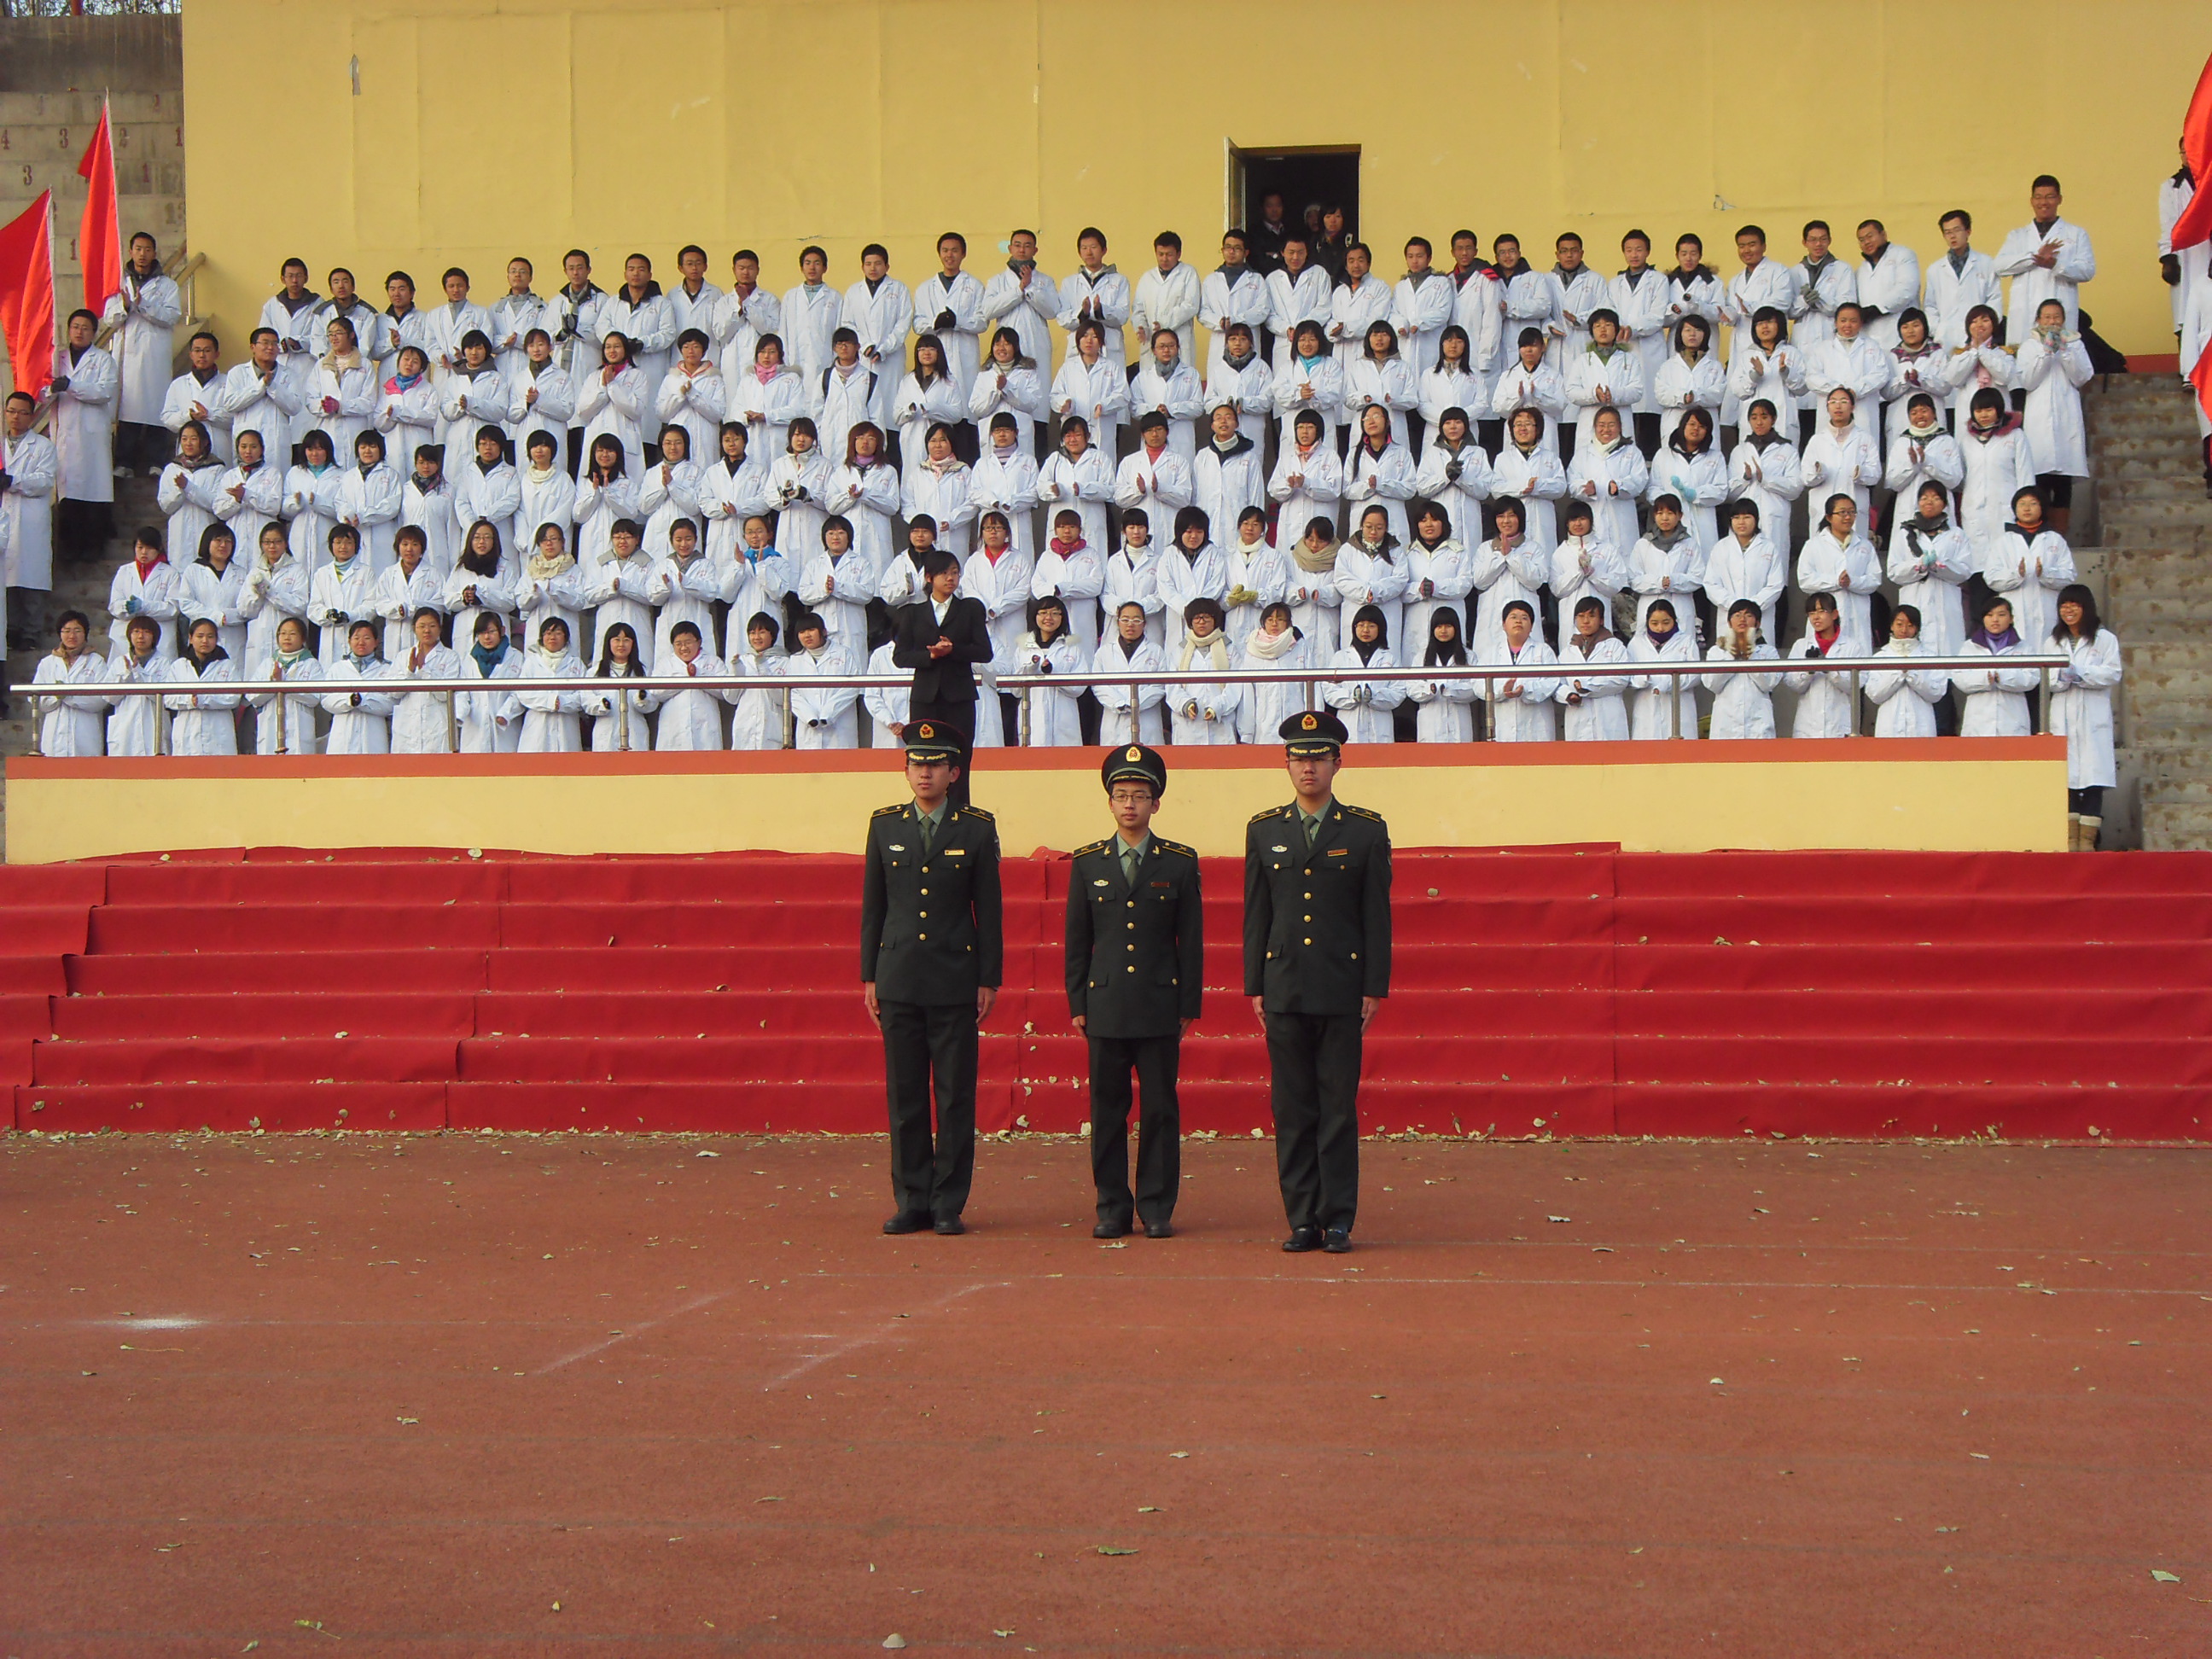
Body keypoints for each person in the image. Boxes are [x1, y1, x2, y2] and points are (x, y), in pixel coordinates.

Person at [1246, 708, 1390, 1254]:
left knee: (1337, 1108)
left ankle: (1338, 1218)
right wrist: (1254, 985)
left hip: (1340, 986)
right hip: (1283, 986)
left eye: (1319, 758)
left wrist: (1374, 985)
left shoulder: (1365, 830)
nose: (1308, 767)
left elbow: (1376, 915)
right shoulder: (1264, 829)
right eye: (1298, 758)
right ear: (1286, 764)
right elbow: (1256, 914)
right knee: (1292, 1108)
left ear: (1337, 763)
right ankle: (1302, 1217)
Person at [862, 719, 1003, 1237]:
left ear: (953, 773)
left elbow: (989, 908)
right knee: (905, 1097)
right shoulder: (885, 825)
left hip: (954, 977)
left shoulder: (976, 827)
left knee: (954, 1095)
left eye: (935, 765)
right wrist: (870, 976)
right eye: (916, 764)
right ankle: (911, 1199)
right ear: (906, 771)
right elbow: (873, 906)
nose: (925, 773)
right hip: (898, 976)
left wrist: (989, 977)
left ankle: (948, 1202)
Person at [1064, 743, 1201, 1237]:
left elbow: (1191, 940)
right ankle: (1112, 1207)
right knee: (1107, 1110)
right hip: (1105, 1002)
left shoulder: (1179, 862)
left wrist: (1188, 1003)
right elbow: (1077, 940)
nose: (1130, 804)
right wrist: (1077, 1001)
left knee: (1160, 1108)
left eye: (1140, 796)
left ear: (1155, 803)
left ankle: (1157, 1207)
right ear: (1109, 802)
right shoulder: (1088, 862)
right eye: (1121, 795)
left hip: (1159, 1002)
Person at [893, 550, 993, 788]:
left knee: (959, 758)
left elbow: (984, 652)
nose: (950, 578)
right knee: (924, 756)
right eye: (944, 573)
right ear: (929, 578)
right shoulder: (914, 613)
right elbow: (900, 657)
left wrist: (953, 650)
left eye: (955, 573)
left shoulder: (969, 609)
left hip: (959, 697)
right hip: (925, 697)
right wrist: (930, 655)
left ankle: (958, 807)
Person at [104, 232, 185, 475]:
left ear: (154, 253)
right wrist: (125, 306)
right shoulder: (118, 283)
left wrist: (144, 305)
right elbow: (109, 318)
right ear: (130, 252)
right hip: (127, 355)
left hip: (154, 355)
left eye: (147, 249)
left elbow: (171, 316)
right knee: (127, 407)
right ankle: (124, 463)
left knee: (156, 408)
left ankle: (156, 462)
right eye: (138, 249)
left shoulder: (167, 286)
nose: (142, 254)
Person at [2048, 583, 2122, 850]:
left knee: (2093, 779)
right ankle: (2070, 841)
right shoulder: (2053, 641)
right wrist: (2061, 678)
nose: (2068, 610)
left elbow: (2113, 673)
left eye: (2074, 605)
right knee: (2065, 778)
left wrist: (2081, 674)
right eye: (2064, 605)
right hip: (2063, 713)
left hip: (2092, 715)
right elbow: (2047, 678)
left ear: (2086, 607)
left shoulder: (2105, 639)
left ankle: (2087, 843)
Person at [50, 309, 119, 579]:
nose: (79, 332)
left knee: (94, 492)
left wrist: (71, 385)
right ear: (68, 330)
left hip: (92, 436)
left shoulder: (103, 360)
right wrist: (54, 387)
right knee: (69, 495)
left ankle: (93, 546)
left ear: (94, 332)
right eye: (75, 326)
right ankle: (71, 549)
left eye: (85, 328)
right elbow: (45, 390)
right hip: (66, 435)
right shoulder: (57, 359)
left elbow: (104, 391)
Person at [2014, 299, 2093, 533]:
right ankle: (2040, 533)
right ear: (2038, 320)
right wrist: (2046, 353)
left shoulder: (2075, 344)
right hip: (2039, 421)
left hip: (2066, 418)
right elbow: (2027, 381)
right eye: (2047, 317)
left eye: (2057, 317)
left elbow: (2082, 377)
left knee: (2063, 482)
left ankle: (2059, 535)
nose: (2052, 322)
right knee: (2039, 478)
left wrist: (2064, 352)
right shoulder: (2029, 346)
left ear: (2064, 320)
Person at [1997, 175, 2097, 339]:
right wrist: (2033, 258)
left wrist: (2056, 265)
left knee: (2060, 352)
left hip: (2059, 312)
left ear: (2059, 199)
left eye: (2050, 197)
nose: (2044, 202)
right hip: (2025, 313)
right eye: (2039, 197)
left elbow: (2087, 271)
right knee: (2023, 351)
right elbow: (1999, 267)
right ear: (2032, 201)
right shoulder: (2017, 236)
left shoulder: (2076, 234)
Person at [1886, 480, 1973, 660]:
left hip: (1946, 600)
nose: (1929, 502)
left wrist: (1940, 567)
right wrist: (1918, 566)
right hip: (1915, 598)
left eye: (1935, 498)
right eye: (1924, 498)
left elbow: (1965, 571)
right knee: (1915, 656)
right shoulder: (1905, 533)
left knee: (1947, 655)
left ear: (1945, 503)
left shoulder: (1956, 534)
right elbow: (1893, 572)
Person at [1720, 224, 1796, 427]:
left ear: (1763, 246)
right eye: (1741, 246)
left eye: (1752, 244)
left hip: (1769, 343)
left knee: (1769, 394)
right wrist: (1727, 315)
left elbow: (1782, 302)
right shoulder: (1736, 280)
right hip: (1742, 341)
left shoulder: (1778, 271)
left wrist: (1751, 307)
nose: (1746, 250)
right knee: (1739, 395)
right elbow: (1734, 310)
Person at [1985, 486, 2075, 649]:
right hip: (2015, 608)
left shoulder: (2055, 539)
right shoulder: (2004, 541)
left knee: (2047, 649)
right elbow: (1991, 578)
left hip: (2046, 607)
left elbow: (2069, 575)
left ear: (2042, 508)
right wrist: (2016, 575)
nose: (2027, 508)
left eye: (2033, 504)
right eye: (2022, 504)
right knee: (2017, 652)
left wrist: (2045, 574)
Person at [3, 390, 60, 647]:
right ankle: (10, 630)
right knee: (7, 577)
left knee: (30, 578)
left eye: (23, 412)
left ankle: (30, 632)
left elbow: (45, 481)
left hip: (30, 519)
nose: (16, 417)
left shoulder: (44, 447)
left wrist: (13, 481)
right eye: (11, 411)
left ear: (32, 416)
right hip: (5, 516)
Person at [1797, 492, 1883, 657]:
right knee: (1824, 661)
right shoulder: (1814, 545)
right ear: (1829, 517)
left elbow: (1875, 579)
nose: (1848, 517)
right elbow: (1805, 580)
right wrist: (1835, 581)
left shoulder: (1864, 545)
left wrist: (1853, 582)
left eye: (1851, 512)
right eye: (1842, 512)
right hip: (1825, 614)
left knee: (1858, 660)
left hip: (1857, 613)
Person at [841, 243, 913, 435]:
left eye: (878, 263)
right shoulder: (853, 292)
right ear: (862, 267)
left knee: (889, 408)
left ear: (887, 266)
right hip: (863, 358)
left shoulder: (899, 289)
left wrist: (884, 348)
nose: (873, 268)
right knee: (864, 408)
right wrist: (864, 346)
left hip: (891, 358)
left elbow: (903, 323)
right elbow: (847, 323)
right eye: (868, 264)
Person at [1956, 388, 2034, 555]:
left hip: (2006, 508)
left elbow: (2026, 475)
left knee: (2007, 556)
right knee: (1976, 560)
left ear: (1999, 409)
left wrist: (2024, 506)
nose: (1983, 415)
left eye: (1989, 410)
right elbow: (1961, 477)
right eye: (1979, 411)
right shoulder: (1966, 441)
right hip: (1974, 510)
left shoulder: (2015, 436)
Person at [1953, 596, 2037, 737]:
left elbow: (2032, 678)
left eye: (2001, 615)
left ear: (2011, 619)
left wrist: (2003, 677)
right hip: (1979, 720)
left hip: (2013, 719)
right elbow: (1959, 678)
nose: (1995, 620)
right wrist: (1985, 679)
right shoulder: (1970, 647)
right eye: (1990, 615)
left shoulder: (2024, 647)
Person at [979, 230, 1058, 380]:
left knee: (1037, 386)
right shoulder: (996, 281)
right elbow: (988, 311)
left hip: (1036, 342)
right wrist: (1019, 290)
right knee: (1007, 386)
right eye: (1017, 245)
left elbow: (1052, 311)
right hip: (1006, 344)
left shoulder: (1045, 281)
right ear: (1010, 248)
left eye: (1027, 246)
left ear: (1035, 250)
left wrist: (1030, 288)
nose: (1022, 250)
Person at [1705, 498, 1786, 645]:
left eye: (1747, 517)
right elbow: (1711, 584)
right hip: (1728, 613)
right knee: (1728, 654)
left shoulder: (1769, 548)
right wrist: (1733, 606)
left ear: (1756, 520)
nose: (1741, 522)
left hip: (1761, 614)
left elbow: (1776, 584)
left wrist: (1752, 607)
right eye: (1736, 518)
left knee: (1760, 654)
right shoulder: (1720, 548)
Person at [1725, 399, 1803, 550]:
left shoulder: (1787, 450)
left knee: (1773, 557)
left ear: (1773, 419)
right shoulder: (1740, 451)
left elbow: (1795, 489)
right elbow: (1728, 493)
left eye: (1764, 417)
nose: (1759, 422)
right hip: (1744, 518)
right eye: (1754, 418)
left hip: (1773, 516)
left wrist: (1766, 479)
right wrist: (1745, 479)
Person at [1703, 598, 1784, 739]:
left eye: (1748, 615)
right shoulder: (1716, 652)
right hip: (1726, 725)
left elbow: (1768, 684)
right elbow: (1712, 684)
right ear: (1729, 622)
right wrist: (1732, 656)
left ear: (1757, 623)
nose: (1742, 619)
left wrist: (1750, 657)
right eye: (1737, 615)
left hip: (1758, 725)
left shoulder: (1768, 651)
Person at [32, 610, 108, 756]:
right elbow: (37, 701)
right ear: (60, 634)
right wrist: (56, 697)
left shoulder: (96, 662)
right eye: (66, 631)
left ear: (85, 633)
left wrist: (69, 697)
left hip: (85, 736)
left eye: (77, 631)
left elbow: (102, 700)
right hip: (54, 737)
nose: (72, 636)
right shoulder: (47, 663)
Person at [1014, 593, 1088, 746]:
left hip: (1064, 720)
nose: (1049, 617)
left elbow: (1079, 687)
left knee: (1066, 757)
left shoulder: (1072, 648)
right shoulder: (1023, 648)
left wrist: (1053, 674)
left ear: (1063, 617)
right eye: (1043, 613)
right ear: (1035, 616)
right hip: (1033, 718)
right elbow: (1015, 690)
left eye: (1055, 613)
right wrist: (1032, 668)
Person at [1922, 210, 2001, 352]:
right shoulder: (1935, 269)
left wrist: (1986, 328)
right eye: (1947, 232)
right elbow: (1930, 306)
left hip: (1980, 337)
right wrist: (1938, 330)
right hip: (1946, 338)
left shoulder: (1986, 263)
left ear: (1968, 231)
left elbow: (1994, 299)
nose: (1952, 236)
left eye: (1957, 230)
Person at [1051, 319, 1130, 462]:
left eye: (1094, 337)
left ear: (1101, 342)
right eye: (1085, 336)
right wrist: (1064, 403)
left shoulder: (1111, 367)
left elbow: (1123, 395)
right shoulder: (1068, 367)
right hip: (1074, 428)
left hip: (1102, 428)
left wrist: (1104, 405)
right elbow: (1055, 394)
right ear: (1078, 340)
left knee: (1101, 466)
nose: (1089, 341)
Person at [1864, 604, 1947, 738]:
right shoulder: (1880, 657)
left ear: (1917, 628)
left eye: (1910, 625)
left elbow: (1936, 693)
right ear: (1892, 626)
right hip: (1889, 725)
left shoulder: (1929, 657)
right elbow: (1875, 695)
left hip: (1921, 725)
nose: (1904, 630)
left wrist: (1912, 674)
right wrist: (1899, 674)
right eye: (1899, 624)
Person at [1169, 597, 1244, 744]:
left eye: (1207, 617)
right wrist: (1185, 704)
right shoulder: (1180, 651)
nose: (1202, 622)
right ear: (1190, 622)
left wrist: (1218, 706)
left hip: (1221, 725)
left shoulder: (1229, 649)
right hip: (1188, 727)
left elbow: (1236, 685)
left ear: (1215, 620)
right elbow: (1172, 686)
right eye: (1197, 618)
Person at [1201, 230, 1272, 383]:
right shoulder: (1211, 280)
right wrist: (1219, 322)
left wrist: (1236, 320)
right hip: (1220, 338)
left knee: (1249, 383)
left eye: (1237, 248)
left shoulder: (1257, 279)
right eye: (1228, 247)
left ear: (1246, 252)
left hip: (1247, 338)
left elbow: (1262, 310)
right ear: (1222, 250)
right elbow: (1203, 311)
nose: (1231, 252)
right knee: (1220, 385)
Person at [1054, 226, 1132, 368]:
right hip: (1078, 349)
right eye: (1084, 248)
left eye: (1093, 247)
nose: (1089, 252)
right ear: (1079, 252)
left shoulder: (1119, 280)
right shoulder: (1069, 283)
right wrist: (1082, 313)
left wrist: (1100, 310)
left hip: (1110, 348)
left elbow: (1123, 316)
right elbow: (1062, 318)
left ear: (1104, 250)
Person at [165, 616, 242, 756]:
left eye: (210, 636)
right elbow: (168, 698)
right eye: (200, 636)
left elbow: (234, 698)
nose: (205, 641)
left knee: (220, 768)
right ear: (190, 638)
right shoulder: (179, 666)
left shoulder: (227, 665)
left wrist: (204, 699)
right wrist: (189, 701)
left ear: (216, 639)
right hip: (187, 731)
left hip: (218, 732)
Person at [1556, 596, 1630, 741]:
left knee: (1612, 753)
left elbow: (1621, 679)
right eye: (1581, 616)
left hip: (1608, 717)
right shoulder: (1567, 652)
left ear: (1601, 620)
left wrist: (1587, 686)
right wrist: (1569, 695)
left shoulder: (1615, 646)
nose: (1586, 621)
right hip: (1578, 717)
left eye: (1591, 616)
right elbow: (1557, 683)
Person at [1482, 598, 1558, 741]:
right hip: (1504, 725)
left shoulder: (1543, 650)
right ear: (1504, 625)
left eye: (1524, 618)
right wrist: (1503, 691)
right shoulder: (1491, 653)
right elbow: (1478, 685)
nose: (1518, 621)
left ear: (1532, 626)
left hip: (1537, 725)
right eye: (1513, 617)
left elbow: (1552, 682)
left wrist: (1525, 690)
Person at [1784, 591, 1856, 739]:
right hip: (1807, 727)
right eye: (1811, 613)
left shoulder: (1851, 646)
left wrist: (1829, 669)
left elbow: (1854, 686)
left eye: (1822, 611)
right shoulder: (1801, 645)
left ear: (1834, 614)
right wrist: (1809, 671)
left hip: (1839, 724)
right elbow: (1793, 684)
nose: (1816, 617)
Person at [250, 614, 326, 754]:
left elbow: (315, 698)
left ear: (303, 638)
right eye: (283, 633)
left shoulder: (311, 664)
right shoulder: (267, 663)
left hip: (299, 730)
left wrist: (285, 685)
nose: (287, 638)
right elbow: (253, 697)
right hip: (270, 729)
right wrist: (274, 683)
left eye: (292, 634)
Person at [320, 618, 398, 755]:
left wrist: (364, 701)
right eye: (356, 638)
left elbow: (391, 703)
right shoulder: (337, 668)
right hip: (342, 734)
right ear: (349, 641)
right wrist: (349, 701)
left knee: (373, 766)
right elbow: (326, 700)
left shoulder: (386, 669)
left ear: (376, 642)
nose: (361, 642)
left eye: (367, 638)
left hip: (373, 735)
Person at [1240, 599, 1314, 742]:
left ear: (1288, 623)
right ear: (1263, 622)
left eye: (1280, 619)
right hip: (1264, 726)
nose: (1274, 624)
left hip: (1296, 720)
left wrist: (1312, 720)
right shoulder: (1252, 649)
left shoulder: (1300, 646)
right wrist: (1246, 733)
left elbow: (1311, 687)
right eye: (1270, 620)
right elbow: (1247, 694)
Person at [1096, 599, 1168, 743]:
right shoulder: (1104, 652)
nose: (1130, 624)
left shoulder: (1156, 651)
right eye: (1125, 620)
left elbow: (1160, 685)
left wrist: (1135, 704)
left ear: (1144, 624)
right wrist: (1118, 703)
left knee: (1147, 755)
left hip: (1147, 720)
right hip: (1114, 720)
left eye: (1136, 620)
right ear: (1118, 622)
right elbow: (1099, 685)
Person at [969, 327, 1048, 459]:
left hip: (1020, 434)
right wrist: (996, 392)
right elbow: (976, 408)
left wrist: (1008, 388)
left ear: (1015, 347)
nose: (1001, 348)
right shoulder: (984, 375)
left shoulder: (1028, 373)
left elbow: (1032, 403)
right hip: (992, 436)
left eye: (1006, 344)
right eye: (997, 344)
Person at [1628, 494, 1703, 633]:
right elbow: (1634, 579)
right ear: (1654, 516)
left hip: (1681, 606)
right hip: (1650, 605)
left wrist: (1674, 581)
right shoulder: (1643, 544)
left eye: (1670, 513)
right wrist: (1658, 583)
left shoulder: (1690, 544)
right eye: (1660, 513)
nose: (1665, 518)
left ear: (1680, 515)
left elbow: (1698, 577)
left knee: (1682, 643)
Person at [393, 605, 462, 754]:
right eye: (422, 626)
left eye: (432, 626)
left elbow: (446, 695)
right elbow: (393, 693)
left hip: (438, 728)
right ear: (414, 628)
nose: (427, 631)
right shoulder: (403, 656)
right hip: (407, 729)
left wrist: (425, 669)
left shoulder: (450, 657)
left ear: (440, 628)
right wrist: (410, 672)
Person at [180, 521, 251, 666]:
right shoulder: (193, 571)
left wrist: (228, 617)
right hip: (203, 637)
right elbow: (186, 603)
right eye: (218, 540)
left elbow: (248, 607)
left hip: (233, 638)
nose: (223, 545)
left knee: (232, 673)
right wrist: (215, 616)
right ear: (207, 542)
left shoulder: (242, 573)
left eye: (228, 541)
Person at [1627, 598, 1699, 739]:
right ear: (1647, 622)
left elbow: (1695, 675)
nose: (1660, 628)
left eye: (1666, 623)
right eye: (1654, 623)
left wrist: (1670, 684)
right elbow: (1627, 675)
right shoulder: (1636, 643)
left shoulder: (1686, 641)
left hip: (1679, 706)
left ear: (1674, 621)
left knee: (1680, 748)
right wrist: (1643, 679)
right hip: (1646, 706)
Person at [1551, 498, 1625, 634]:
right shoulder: (1560, 553)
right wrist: (1579, 572)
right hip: (1571, 617)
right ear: (1567, 524)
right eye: (1573, 520)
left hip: (1599, 614)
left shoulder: (1607, 549)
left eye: (1582, 519)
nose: (1578, 524)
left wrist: (1593, 574)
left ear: (1591, 521)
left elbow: (1617, 584)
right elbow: (1557, 589)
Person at [515, 614, 588, 750]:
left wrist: (562, 702)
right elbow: (523, 693)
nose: (552, 637)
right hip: (537, 726)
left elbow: (584, 695)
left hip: (567, 726)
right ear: (542, 638)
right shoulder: (532, 662)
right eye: (548, 633)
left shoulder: (576, 663)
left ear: (566, 638)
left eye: (558, 633)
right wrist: (550, 702)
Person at [1409, 603, 1481, 741]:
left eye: (1448, 626)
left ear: (1456, 628)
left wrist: (1451, 691)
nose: (1443, 630)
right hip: (1431, 723)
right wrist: (1429, 690)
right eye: (1439, 626)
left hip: (1459, 720)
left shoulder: (1469, 656)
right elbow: (1412, 688)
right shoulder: (1421, 657)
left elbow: (1475, 688)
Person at [309, 523, 378, 666]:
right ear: (331, 545)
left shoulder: (366, 572)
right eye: (338, 542)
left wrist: (349, 616)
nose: (343, 547)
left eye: (348, 542)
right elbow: (313, 607)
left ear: (356, 545)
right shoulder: (322, 573)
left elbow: (371, 605)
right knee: (331, 674)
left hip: (357, 634)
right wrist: (327, 615)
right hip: (330, 638)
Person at [108, 523, 179, 660]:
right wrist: (126, 607)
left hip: (160, 639)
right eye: (140, 547)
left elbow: (173, 609)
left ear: (159, 549)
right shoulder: (124, 571)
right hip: (125, 638)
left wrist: (144, 606)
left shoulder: (171, 573)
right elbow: (113, 605)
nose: (144, 552)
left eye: (149, 548)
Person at [655, 619, 728, 752]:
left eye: (688, 643)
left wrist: (698, 676)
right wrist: (684, 677)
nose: (683, 648)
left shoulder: (714, 661)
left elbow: (724, 691)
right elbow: (656, 693)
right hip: (673, 727)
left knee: (706, 761)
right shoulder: (664, 664)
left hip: (705, 728)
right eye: (678, 644)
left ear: (699, 642)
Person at [457, 610, 522, 754]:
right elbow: (462, 693)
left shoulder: (516, 657)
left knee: (506, 764)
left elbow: (519, 692)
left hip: (505, 729)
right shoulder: (469, 660)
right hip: (475, 727)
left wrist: (505, 713)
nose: (487, 637)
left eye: (491, 631)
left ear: (502, 631)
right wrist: (460, 713)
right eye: (482, 633)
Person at [104, 613, 168, 755]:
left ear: (154, 637)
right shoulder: (119, 662)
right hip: (125, 730)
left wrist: (138, 672)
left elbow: (164, 699)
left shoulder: (164, 663)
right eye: (136, 631)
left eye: (146, 632)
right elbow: (109, 698)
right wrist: (127, 676)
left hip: (153, 727)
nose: (141, 636)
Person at [586, 620, 654, 752]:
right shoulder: (595, 672)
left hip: (635, 730)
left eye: (626, 640)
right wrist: (602, 705)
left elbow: (653, 701)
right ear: (609, 643)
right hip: (606, 731)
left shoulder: (642, 671)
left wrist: (642, 699)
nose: (621, 644)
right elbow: (586, 700)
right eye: (617, 640)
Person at [163, 332, 231, 464]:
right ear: (191, 354)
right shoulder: (179, 384)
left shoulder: (228, 382)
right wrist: (189, 416)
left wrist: (209, 414)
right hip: (188, 452)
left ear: (217, 354)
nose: (202, 355)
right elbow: (167, 419)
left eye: (207, 350)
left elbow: (236, 418)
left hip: (221, 448)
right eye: (197, 350)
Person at [780, 246, 841, 383]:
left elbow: (838, 331)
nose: (812, 268)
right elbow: (783, 331)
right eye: (808, 263)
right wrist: (784, 361)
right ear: (802, 268)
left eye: (817, 263)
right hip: (795, 362)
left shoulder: (835, 297)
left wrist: (835, 360)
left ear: (825, 268)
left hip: (824, 361)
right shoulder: (791, 296)